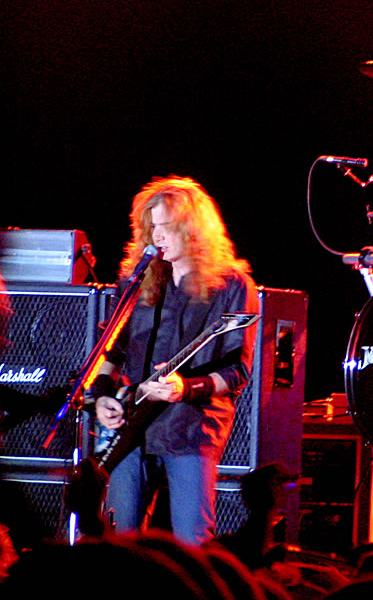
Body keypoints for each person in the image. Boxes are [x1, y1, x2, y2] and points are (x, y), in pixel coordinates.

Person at [91, 175, 259, 545]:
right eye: (152, 228)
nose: (158, 237)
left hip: (191, 427)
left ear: (192, 229)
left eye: (167, 228)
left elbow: (238, 371)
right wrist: (102, 395)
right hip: (131, 423)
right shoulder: (138, 280)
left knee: (192, 541)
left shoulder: (230, 286)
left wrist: (185, 387)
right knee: (122, 545)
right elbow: (114, 349)